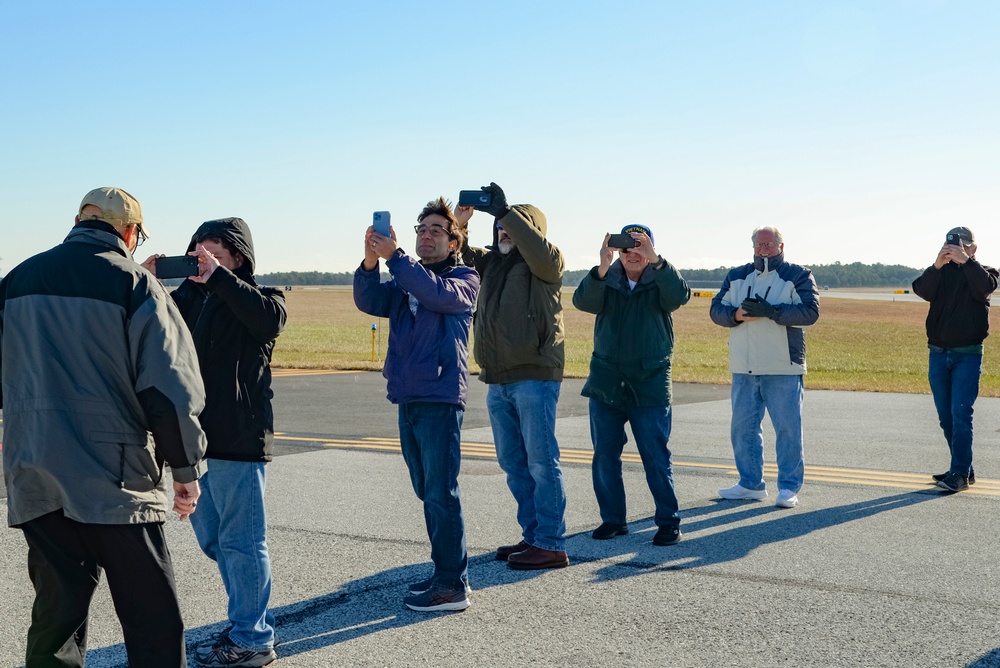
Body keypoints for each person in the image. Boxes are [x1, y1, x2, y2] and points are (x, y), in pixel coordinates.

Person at [0, 187, 207, 668]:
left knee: (56, 617)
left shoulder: (17, 279)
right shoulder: (135, 284)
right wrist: (185, 468)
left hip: (36, 472)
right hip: (114, 478)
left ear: (79, 220)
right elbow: (169, 387)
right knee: (151, 616)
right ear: (130, 232)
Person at [144, 218, 286, 667]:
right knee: (216, 542)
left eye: (214, 257)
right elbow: (147, 334)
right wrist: (144, 283)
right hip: (194, 443)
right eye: (196, 257)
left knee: (243, 542)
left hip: (239, 440)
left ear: (238, 259)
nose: (202, 266)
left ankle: (252, 636)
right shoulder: (182, 300)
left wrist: (219, 277)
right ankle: (246, 622)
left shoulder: (264, 298)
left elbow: (268, 323)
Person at [354, 197, 480, 612]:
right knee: (427, 490)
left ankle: (452, 586)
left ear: (454, 242)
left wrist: (397, 258)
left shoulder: (463, 278)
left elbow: (436, 294)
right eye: (421, 230)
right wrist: (371, 261)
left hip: (440, 397)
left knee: (442, 492)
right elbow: (369, 301)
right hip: (408, 394)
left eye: (436, 231)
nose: (427, 235)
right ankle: (447, 572)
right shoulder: (407, 278)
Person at [456, 182, 569, 571]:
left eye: (514, 226)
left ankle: (552, 543)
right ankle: (533, 536)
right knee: (513, 462)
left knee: (541, 461)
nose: (504, 232)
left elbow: (536, 249)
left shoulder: (546, 261)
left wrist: (506, 213)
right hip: (498, 378)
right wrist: (462, 224)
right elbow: (462, 254)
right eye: (501, 227)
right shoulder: (496, 263)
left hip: (534, 375)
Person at [572, 224, 691, 546]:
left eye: (640, 246)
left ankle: (669, 521)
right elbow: (583, 302)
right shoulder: (606, 280)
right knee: (605, 455)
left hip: (649, 381)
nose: (633, 254)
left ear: (651, 249)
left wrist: (658, 261)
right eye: (627, 248)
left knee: (655, 454)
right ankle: (613, 519)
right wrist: (601, 265)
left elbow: (679, 296)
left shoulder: (660, 280)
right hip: (607, 380)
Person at [709, 226, 819, 509]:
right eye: (759, 244)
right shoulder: (736, 275)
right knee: (743, 428)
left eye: (770, 244)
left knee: (788, 429)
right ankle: (750, 484)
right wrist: (736, 315)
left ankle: (788, 487)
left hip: (783, 366)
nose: (764, 249)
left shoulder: (798, 275)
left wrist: (771, 311)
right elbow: (715, 311)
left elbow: (810, 312)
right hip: (744, 366)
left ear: (781, 246)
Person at [911, 227, 998, 493]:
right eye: (950, 247)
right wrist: (937, 265)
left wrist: (966, 262)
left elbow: (985, 287)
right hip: (937, 353)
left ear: (973, 248)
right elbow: (921, 289)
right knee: (945, 417)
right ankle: (962, 468)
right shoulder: (940, 273)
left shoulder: (985, 272)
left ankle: (959, 473)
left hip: (967, 355)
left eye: (962, 246)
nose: (955, 251)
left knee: (961, 414)